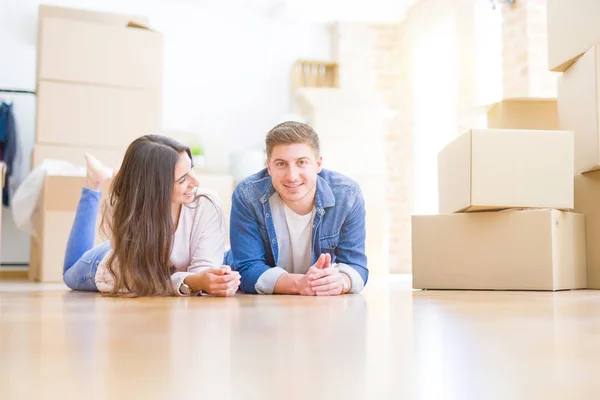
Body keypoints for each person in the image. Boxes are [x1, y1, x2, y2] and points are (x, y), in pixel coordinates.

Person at [62, 134, 240, 297]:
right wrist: (192, 281)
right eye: (182, 179)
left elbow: (203, 274)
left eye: (191, 169)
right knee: (70, 275)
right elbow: (139, 281)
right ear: (155, 187)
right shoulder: (121, 207)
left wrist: (209, 280)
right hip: (118, 264)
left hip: (149, 261)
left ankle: (112, 176)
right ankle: (92, 185)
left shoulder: (206, 203)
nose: (196, 182)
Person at [226, 121, 368, 295]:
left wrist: (340, 281)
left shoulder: (347, 195)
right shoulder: (248, 194)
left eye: (301, 162)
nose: (292, 177)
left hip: (315, 299)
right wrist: (300, 284)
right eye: (281, 164)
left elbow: (356, 266)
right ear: (269, 166)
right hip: (262, 301)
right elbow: (247, 269)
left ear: (318, 164)